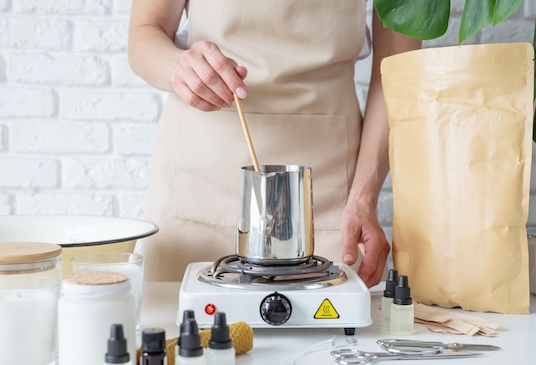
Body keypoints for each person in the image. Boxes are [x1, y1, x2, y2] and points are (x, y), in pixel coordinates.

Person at [128, 0, 421, 287]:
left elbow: (396, 70)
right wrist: (177, 66)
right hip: (201, 179)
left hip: (328, 194)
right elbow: (145, 31)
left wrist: (363, 199)